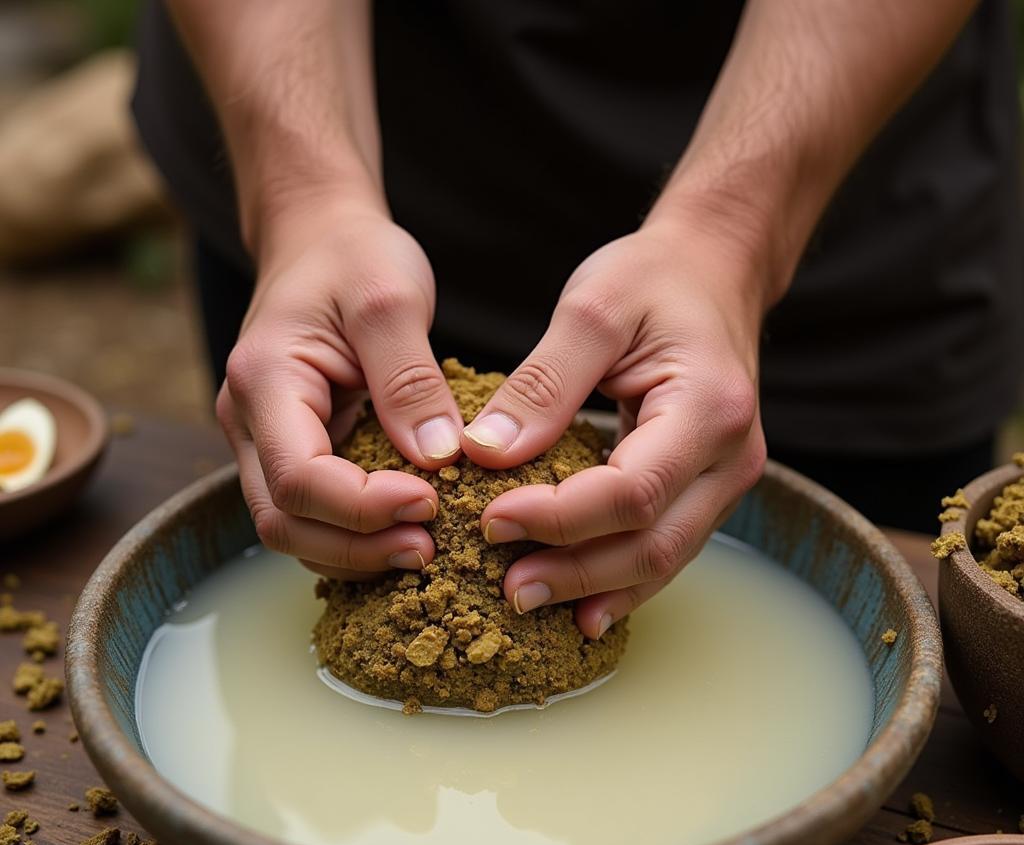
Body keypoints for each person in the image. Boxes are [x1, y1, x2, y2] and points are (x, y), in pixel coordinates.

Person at [133, 1, 1023, 639]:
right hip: (324, 156)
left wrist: (729, 234)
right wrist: (307, 199)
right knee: (307, 498)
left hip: (839, 222)